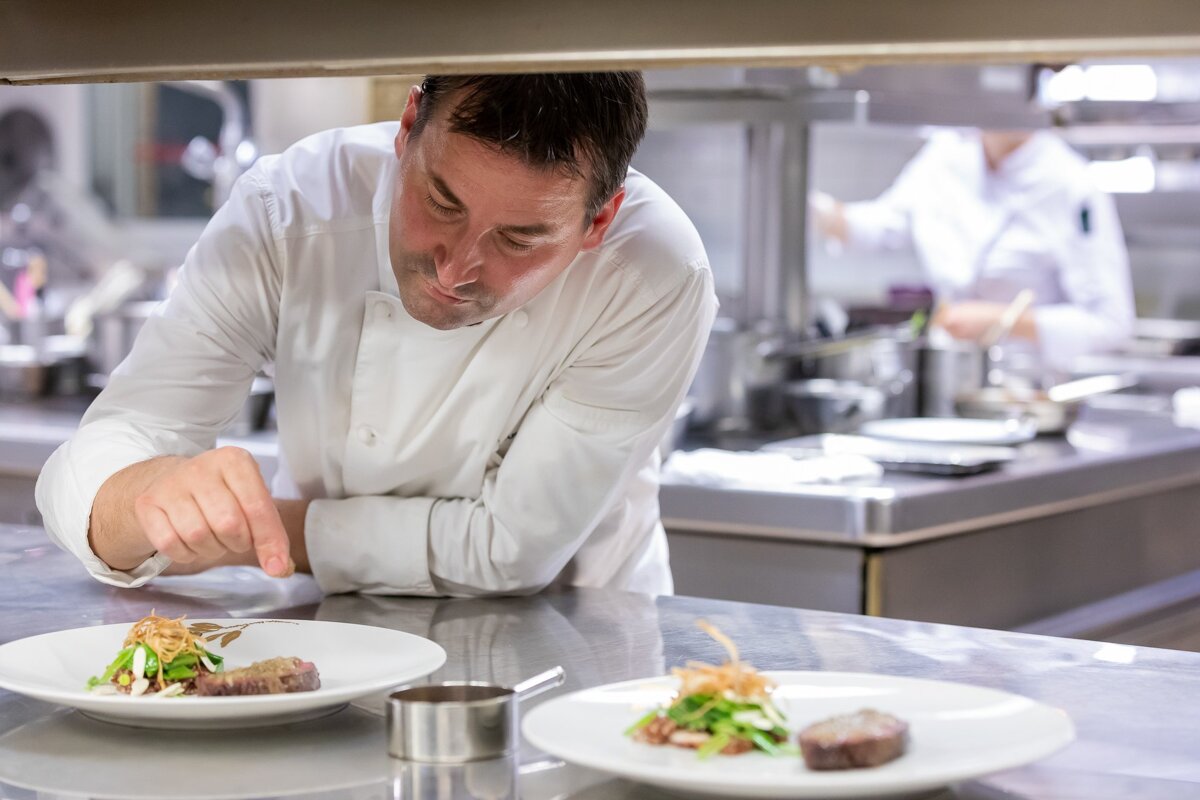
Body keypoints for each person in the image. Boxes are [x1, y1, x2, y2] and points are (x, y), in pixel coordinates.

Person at [36, 73, 718, 596]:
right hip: (327, 638)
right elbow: (111, 443)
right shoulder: (290, 211)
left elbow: (509, 547)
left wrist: (254, 533)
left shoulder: (654, 273)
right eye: (441, 202)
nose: (457, 267)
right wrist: (142, 496)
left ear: (598, 223)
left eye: (521, 238)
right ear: (408, 127)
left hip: (579, 648)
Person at [811, 128, 1135, 369]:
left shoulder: (1070, 183)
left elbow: (1110, 323)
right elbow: (880, 227)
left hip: (1030, 384)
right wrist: (809, 206)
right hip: (948, 375)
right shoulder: (945, 156)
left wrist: (1003, 320)